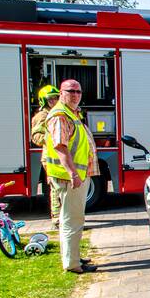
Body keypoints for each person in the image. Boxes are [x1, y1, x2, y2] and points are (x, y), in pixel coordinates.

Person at [43, 79, 99, 274]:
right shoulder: (60, 115)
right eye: (71, 91)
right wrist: (73, 173)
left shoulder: (71, 113)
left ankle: (74, 256)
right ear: (61, 93)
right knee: (71, 221)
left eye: (78, 91)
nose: (75, 95)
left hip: (77, 176)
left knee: (75, 219)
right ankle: (72, 263)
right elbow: (60, 146)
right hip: (70, 179)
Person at [31, 85, 61, 225]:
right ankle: (57, 218)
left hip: (60, 155)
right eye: (51, 99)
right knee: (55, 187)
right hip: (50, 157)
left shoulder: (57, 113)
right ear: (43, 101)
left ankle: (64, 217)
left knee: (62, 187)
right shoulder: (42, 116)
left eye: (56, 98)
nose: (54, 101)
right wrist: (53, 137)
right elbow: (36, 137)